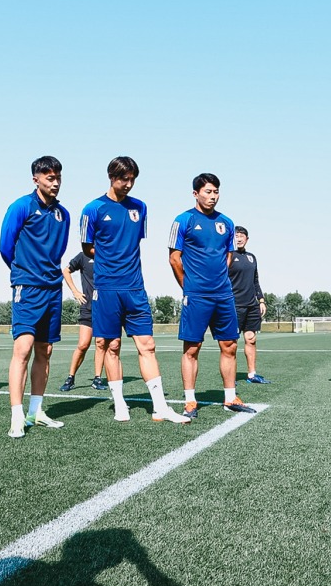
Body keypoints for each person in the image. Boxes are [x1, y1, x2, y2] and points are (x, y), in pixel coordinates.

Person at [81, 156, 190, 424]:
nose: (129, 184)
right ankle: (120, 403)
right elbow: (87, 248)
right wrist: (110, 260)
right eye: (124, 179)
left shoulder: (139, 208)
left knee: (147, 345)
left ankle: (160, 407)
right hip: (106, 287)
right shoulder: (92, 209)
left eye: (132, 179)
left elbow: (132, 242)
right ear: (111, 176)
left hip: (135, 288)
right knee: (112, 345)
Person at [169, 173, 255, 419]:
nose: (213, 196)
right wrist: (188, 286)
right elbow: (174, 258)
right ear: (195, 193)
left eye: (216, 192)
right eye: (208, 192)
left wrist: (219, 280)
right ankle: (190, 401)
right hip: (196, 294)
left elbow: (227, 256)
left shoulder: (226, 222)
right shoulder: (183, 220)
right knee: (192, 347)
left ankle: (230, 398)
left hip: (223, 294)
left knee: (229, 345)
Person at [0, 156, 71, 438]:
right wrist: (23, 271)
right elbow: (6, 246)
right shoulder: (21, 206)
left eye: (58, 178)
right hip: (27, 286)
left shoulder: (62, 213)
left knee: (46, 350)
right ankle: (17, 416)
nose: (55, 183)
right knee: (23, 349)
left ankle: (36, 411)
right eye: (49, 178)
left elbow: (60, 249)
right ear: (36, 179)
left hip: (53, 287)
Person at [60, 251, 107, 392]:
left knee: (101, 343)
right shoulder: (82, 256)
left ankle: (97, 378)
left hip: (105, 308)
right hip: (88, 307)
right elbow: (66, 271)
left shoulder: (107, 253)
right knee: (83, 344)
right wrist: (75, 291)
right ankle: (70, 377)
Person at [229, 226, 270, 384]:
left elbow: (255, 281)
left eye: (242, 236)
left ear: (247, 239)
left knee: (251, 339)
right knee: (231, 342)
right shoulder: (228, 255)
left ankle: (252, 375)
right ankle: (230, 377)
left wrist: (261, 300)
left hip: (251, 305)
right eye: (236, 236)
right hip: (234, 304)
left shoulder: (252, 257)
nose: (239, 238)